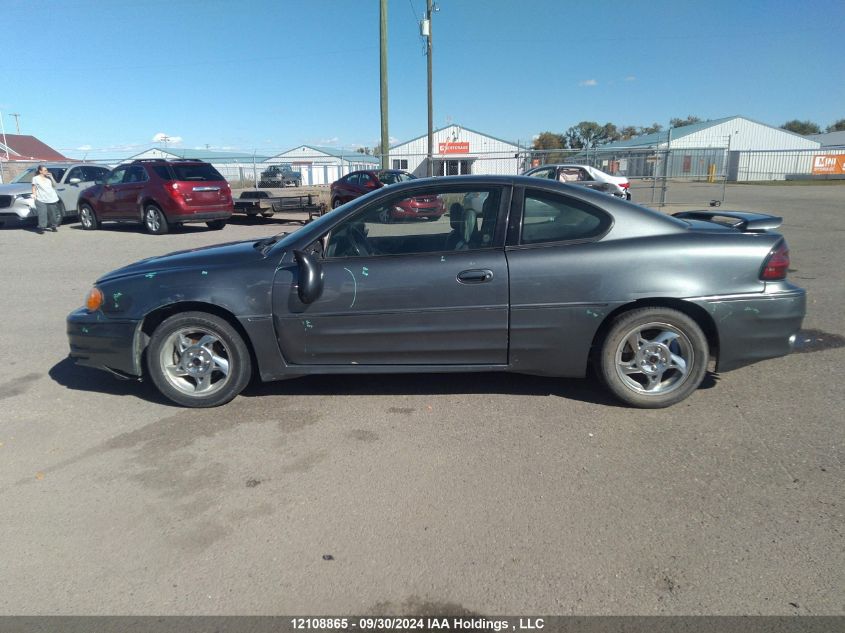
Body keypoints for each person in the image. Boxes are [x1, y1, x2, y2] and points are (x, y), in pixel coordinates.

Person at [32, 165, 61, 233]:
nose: (46, 171)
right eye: (45, 170)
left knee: (53, 214)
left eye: (47, 170)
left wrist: (51, 177)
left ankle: (53, 226)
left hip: (51, 198)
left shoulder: (49, 179)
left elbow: (55, 185)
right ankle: (41, 227)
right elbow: (33, 188)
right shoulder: (35, 178)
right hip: (40, 199)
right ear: (40, 171)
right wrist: (34, 196)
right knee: (42, 213)